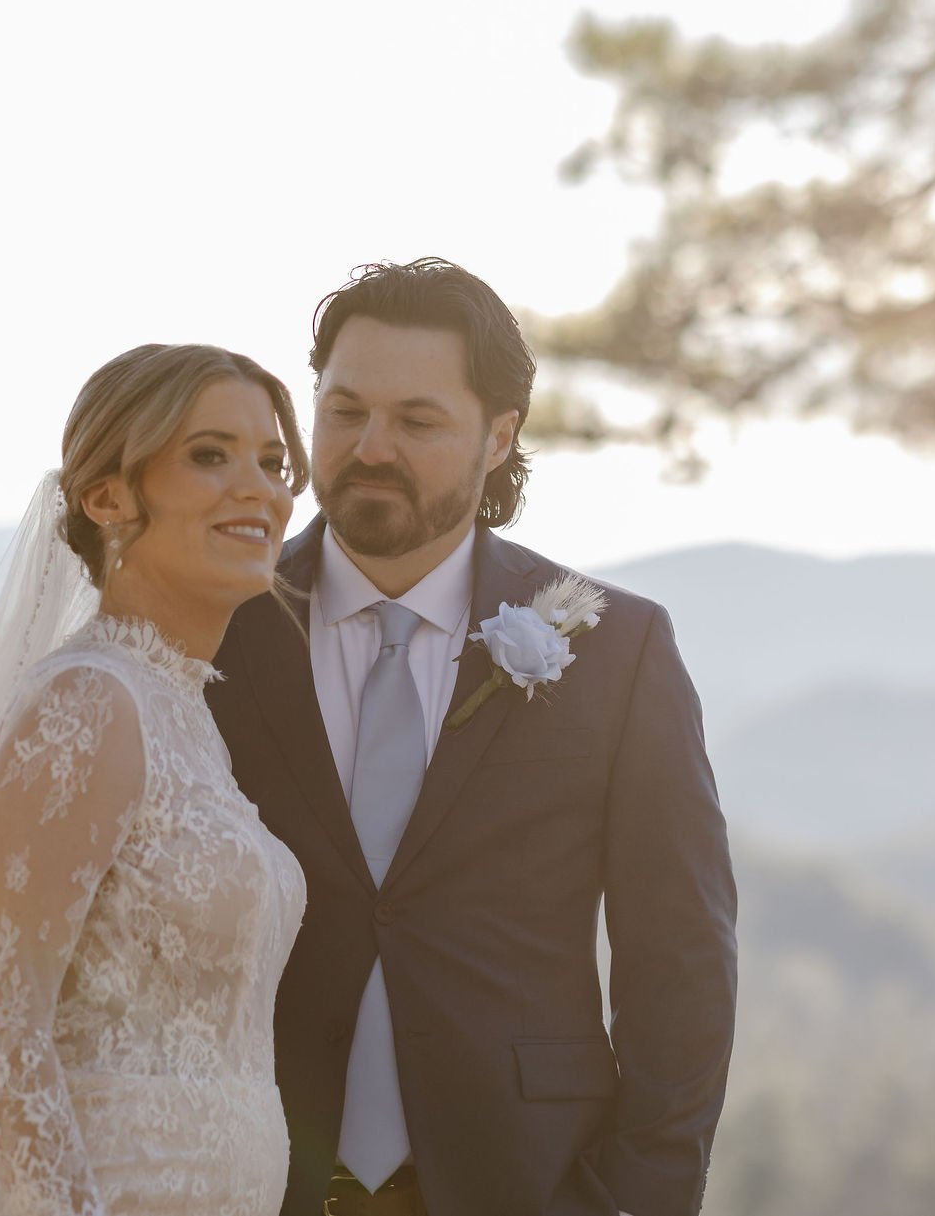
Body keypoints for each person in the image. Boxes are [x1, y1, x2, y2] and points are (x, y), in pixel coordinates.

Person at [208, 259, 738, 1216]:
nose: (370, 447)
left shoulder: (617, 648)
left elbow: (682, 959)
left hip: (531, 1184)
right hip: (245, 1185)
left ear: (500, 438)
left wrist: (637, 1200)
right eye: (344, 410)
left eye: (417, 421)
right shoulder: (215, 627)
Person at [0, 343, 312, 1216]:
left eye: (274, 461)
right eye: (210, 454)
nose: (261, 488)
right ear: (108, 496)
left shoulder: (184, 713)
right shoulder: (91, 702)